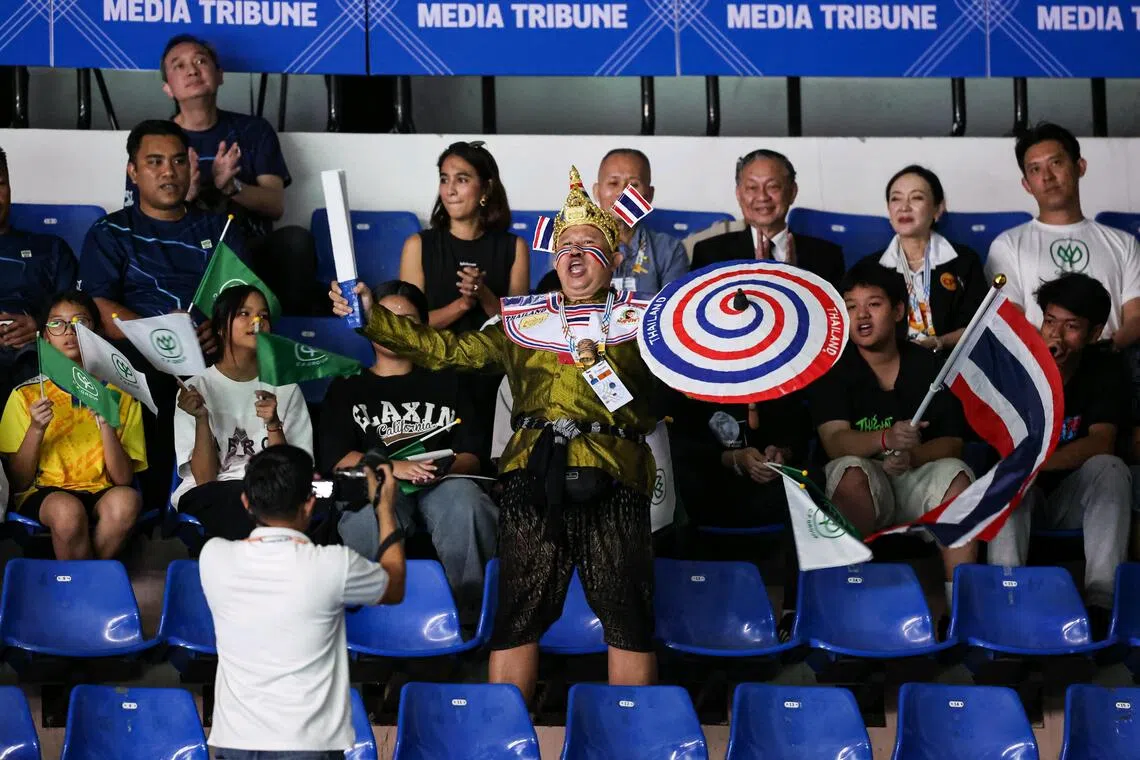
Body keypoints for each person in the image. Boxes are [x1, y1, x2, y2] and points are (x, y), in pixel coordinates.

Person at [332, 167, 659, 702]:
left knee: (627, 609)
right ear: (554, 258)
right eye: (566, 244)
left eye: (590, 244)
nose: (575, 254)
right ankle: (503, 732)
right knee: (518, 611)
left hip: (615, 473)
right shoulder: (522, 320)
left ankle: (633, 732)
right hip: (532, 475)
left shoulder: (645, 321)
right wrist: (372, 318)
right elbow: (446, 350)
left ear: (616, 258)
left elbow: (657, 405)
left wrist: (601, 368)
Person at [201, 445, 405, 760]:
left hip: (235, 741)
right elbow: (394, 586)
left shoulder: (213, 557)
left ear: (246, 503)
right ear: (310, 504)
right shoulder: (334, 564)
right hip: (308, 744)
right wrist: (384, 507)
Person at [81, 119, 246, 509]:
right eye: (154, 162)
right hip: (137, 352)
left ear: (191, 168)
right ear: (133, 172)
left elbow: (244, 297)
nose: (168, 171)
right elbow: (98, 308)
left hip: (212, 350)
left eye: (176, 161)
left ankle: (221, 499)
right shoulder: (109, 232)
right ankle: (152, 508)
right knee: (144, 378)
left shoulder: (219, 227)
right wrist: (161, 334)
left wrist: (219, 330)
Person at [319, 280, 498, 616]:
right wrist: (394, 469)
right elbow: (339, 460)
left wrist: (439, 471)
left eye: (410, 322)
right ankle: (374, 625)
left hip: (443, 484)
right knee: (366, 515)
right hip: (379, 484)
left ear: (424, 332)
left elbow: (472, 457)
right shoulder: (348, 387)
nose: (397, 329)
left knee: (467, 502)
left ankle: (471, 619)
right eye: (388, 317)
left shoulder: (450, 381)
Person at [809, 259, 974, 606]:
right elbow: (835, 441)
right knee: (851, 471)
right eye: (851, 307)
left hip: (915, 475)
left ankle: (960, 605)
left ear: (898, 311)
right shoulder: (835, 370)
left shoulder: (927, 364)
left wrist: (913, 455)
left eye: (874, 304)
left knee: (958, 476)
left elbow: (953, 441)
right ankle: (851, 602)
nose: (862, 316)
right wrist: (886, 439)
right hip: (866, 476)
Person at [129, 35, 318, 315]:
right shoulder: (155, 142)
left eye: (201, 61)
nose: (192, 70)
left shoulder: (253, 130)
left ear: (220, 75)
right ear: (167, 87)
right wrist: (185, 195)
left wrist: (231, 187)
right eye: (178, 66)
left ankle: (288, 334)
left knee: (295, 241)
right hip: (185, 249)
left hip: (249, 249)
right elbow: (138, 219)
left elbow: (275, 205)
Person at [988, 274, 1131, 635]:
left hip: (1073, 496)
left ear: (1095, 333)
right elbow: (1005, 443)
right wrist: (1045, 371)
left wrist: (1041, 464)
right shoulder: (1019, 365)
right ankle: (1006, 602)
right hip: (1025, 496)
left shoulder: (1106, 368)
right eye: (1049, 322)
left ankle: (1102, 604)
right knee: (1010, 479)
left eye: (1071, 327)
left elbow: (1102, 442)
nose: (1055, 334)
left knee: (1111, 468)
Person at [0, 291, 147, 560]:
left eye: (80, 322)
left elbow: (124, 480)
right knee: (67, 511)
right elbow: (18, 482)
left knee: (127, 502)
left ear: (96, 333)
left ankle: (80, 584)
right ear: (45, 336)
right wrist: (35, 429)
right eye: (57, 323)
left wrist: (106, 424)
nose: (68, 331)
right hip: (45, 493)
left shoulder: (121, 394)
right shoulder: (26, 395)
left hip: (103, 489)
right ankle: (92, 587)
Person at [173, 285, 311, 541]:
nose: (257, 321)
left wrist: (273, 424)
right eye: (244, 313)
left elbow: (289, 473)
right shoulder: (194, 388)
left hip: (270, 494)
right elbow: (205, 481)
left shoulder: (286, 388)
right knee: (238, 500)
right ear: (220, 327)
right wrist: (202, 418)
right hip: (213, 494)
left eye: (264, 316)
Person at [986, 122, 1140, 348]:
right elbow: (1010, 319)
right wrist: (1053, 355)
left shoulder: (1123, 243)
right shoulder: (1007, 245)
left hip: (1109, 366)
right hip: (1040, 372)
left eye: (1056, 163)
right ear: (1026, 184)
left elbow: (1135, 317)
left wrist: (1104, 354)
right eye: (1035, 169)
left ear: (1080, 167)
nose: (1047, 176)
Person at [399, 141, 529, 334]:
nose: (449, 190)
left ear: (486, 188)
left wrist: (483, 294)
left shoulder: (514, 247)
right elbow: (408, 329)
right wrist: (462, 305)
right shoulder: (417, 245)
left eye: (462, 180)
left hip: (493, 361)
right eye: (444, 179)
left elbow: (519, 329)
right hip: (433, 362)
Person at [860, 165, 987, 352]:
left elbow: (979, 324)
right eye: (896, 198)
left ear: (938, 208)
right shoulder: (869, 269)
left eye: (916, 197)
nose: (904, 207)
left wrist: (940, 342)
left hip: (950, 363)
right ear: (888, 209)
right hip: (891, 366)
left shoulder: (964, 261)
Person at [691, 149, 845, 286]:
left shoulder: (827, 256)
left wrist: (797, 282)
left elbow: (835, 316)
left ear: (792, 192)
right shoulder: (710, 254)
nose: (762, 197)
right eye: (752, 188)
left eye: (773, 187)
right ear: (738, 194)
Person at [0, 146, 78, 400]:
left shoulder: (50, 248)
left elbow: (78, 311)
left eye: (0, 183)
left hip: (37, 354)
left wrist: (39, 325)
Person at [592, 148, 688, 293]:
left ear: (648, 195)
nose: (622, 192)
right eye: (613, 183)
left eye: (634, 185)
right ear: (596, 192)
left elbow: (671, 308)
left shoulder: (669, 250)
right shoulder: (574, 247)